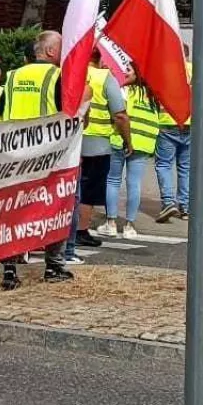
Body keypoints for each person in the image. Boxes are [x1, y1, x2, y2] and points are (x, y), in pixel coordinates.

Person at [0, 30, 72, 290]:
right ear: (50, 51)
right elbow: (68, 112)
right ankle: (54, 265)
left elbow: (1, 110)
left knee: (13, 212)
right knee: (55, 207)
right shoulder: (57, 75)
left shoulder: (12, 75)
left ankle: (9, 268)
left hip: (13, 154)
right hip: (47, 154)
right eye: (62, 48)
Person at [72, 53, 131, 259]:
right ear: (102, 59)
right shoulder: (105, 78)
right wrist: (127, 141)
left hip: (71, 140)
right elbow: (120, 115)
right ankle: (80, 230)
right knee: (90, 188)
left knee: (72, 186)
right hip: (97, 143)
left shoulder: (72, 71)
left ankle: (66, 228)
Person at [104, 71, 160, 240]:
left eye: (129, 68)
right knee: (134, 183)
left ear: (138, 74)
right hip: (142, 144)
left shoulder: (124, 91)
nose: (125, 71)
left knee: (113, 180)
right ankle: (129, 226)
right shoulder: (153, 96)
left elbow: (119, 117)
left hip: (120, 141)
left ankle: (111, 223)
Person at [154, 45, 193, 222]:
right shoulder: (195, 70)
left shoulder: (163, 71)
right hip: (189, 123)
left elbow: (154, 95)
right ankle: (185, 207)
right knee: (185, 167)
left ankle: (168, 203)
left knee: (164, 165)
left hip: (167, 122)